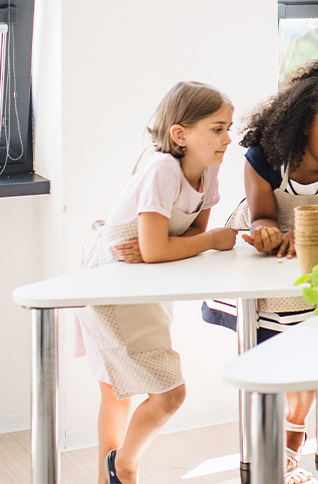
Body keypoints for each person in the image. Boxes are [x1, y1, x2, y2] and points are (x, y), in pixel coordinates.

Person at [203, 61, 318, 484]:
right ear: (304, 125)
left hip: (315, 262)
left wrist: (305, 237)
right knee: (269, 361)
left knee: (313, 357)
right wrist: (267, 233)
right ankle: (266, 454)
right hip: (267, 270)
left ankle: (292, 442)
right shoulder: (263, 157)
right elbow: (262, 215)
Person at [76, 81, 238, 484]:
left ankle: (113, 472)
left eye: (228, 127)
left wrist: (170, 245)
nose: (228, 138)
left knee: (123, 388)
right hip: (112, 279)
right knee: (150, 391)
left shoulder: (210, 169)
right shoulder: (162, 168)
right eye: (217, 129)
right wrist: (207, 241)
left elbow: (178, 240)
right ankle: (123, 467)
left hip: (142, 281)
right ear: (180, 135)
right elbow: (164, 247)